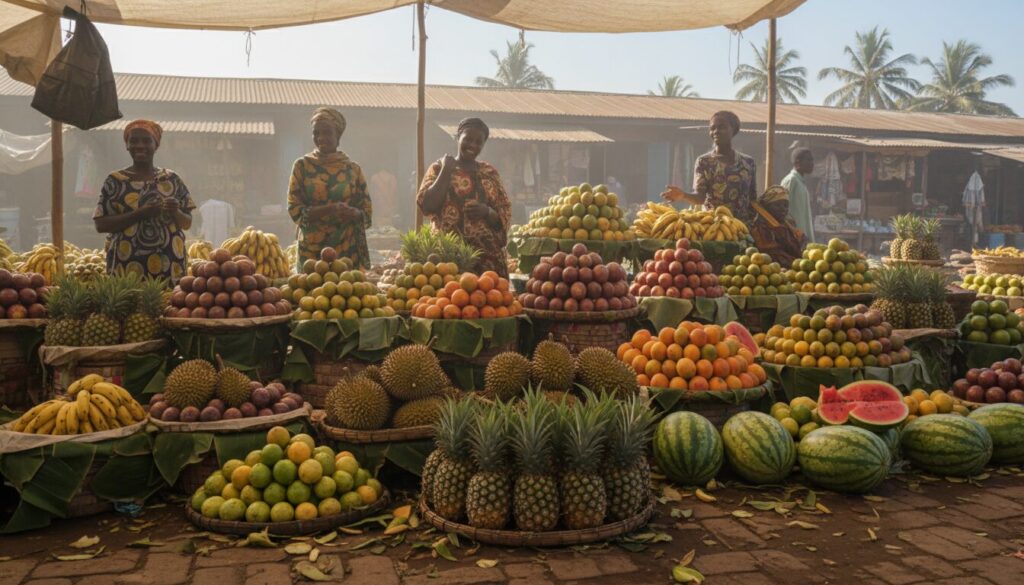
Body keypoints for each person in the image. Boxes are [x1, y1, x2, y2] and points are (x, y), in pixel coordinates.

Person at [93, 120, 194, 282]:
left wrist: (176, 211)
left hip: (170, 265)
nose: (140, 146)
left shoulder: (172, 179)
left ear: (156, 145)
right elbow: (101, 225)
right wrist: (140, 213)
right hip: (126, 267)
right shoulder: (115, 181)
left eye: (147, 141)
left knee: (169, 299)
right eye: (134, 141)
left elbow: (187, 223)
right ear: (127, 145)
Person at [417, 117, 511, 278]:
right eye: (468, 139)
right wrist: (446, 170)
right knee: (450, 294)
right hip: (449, 260)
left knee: (490, 294)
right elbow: (427, 206)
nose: (473, 145)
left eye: (478, 142)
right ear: (458, 137)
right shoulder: (439, 167)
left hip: (487, 260)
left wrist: (487, 211)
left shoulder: (489, 173)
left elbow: (504, 214)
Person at [287, 107, 372, 269]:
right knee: (310, 286)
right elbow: (294, 210)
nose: (320, 138)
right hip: (311, 253)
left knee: (347, 285)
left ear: (338, 135)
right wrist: (329, 209)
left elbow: (366, 212)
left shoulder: (353, 169)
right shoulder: (302, 166)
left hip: (346, 251)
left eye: (327, 133)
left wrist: (354, 213)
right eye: (316, 133)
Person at [661, 111, 757, 222]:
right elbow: (700, 197)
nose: (716, 131)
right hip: (713, 226)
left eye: (722, 127)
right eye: (712, 128)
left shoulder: (748, 163)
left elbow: (752, 198)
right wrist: (683, 195)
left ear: (733, 130)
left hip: (742, 227)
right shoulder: (704, 162)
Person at [750, 185, 807, 268]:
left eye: (786, 205)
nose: (783, 209)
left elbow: (801, 245)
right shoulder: (760, 229)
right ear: (766, 207)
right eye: (778, 205)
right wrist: (800, 264)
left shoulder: (788, 224)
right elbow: (774, 256)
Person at [780, 147, 816, 242]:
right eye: (808, 160)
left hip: (803, 239)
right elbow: (782, 210)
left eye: (812, 160)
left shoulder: (800, 182)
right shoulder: (791, 180)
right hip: (794, 239)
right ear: (798, 162)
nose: (812, 163)